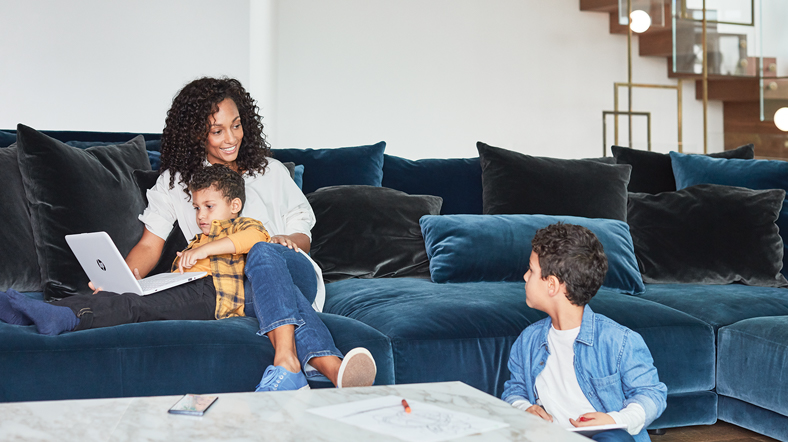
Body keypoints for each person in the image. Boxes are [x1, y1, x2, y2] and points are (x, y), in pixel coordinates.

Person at [124, 77, 376, 392]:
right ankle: (328, 367)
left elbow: (303, 238)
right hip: (234, 286)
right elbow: (150, 245)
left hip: (291, 271)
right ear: (195, 134)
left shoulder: (270, 171)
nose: (231, 138)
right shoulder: (176, 183)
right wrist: (119, 283)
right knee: (247, 277)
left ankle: (287, 361)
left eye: (237, 125)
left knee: (259, 250)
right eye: (217, 131)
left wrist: (284, 242)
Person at [0, 164, 268, 336]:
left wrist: (204, 251)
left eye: (209, 206)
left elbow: (256, 238)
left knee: (136, 305)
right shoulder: (200, 238)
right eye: (197, 207)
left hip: (214, 295)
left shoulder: (243, 226)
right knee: (126, 294)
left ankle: (66, 318)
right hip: (190, 289)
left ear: (234, 206)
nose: (201, 214)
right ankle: (38, 312)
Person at [501, 223, 667, 442]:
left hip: (604, 437)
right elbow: (515, 389)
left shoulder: (619, 341)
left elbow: (652, 394)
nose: (525, 277)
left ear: (552, 285)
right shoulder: (528, 341)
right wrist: (523, 408)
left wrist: (615, 420)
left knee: (615, 438)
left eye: (531, 270)